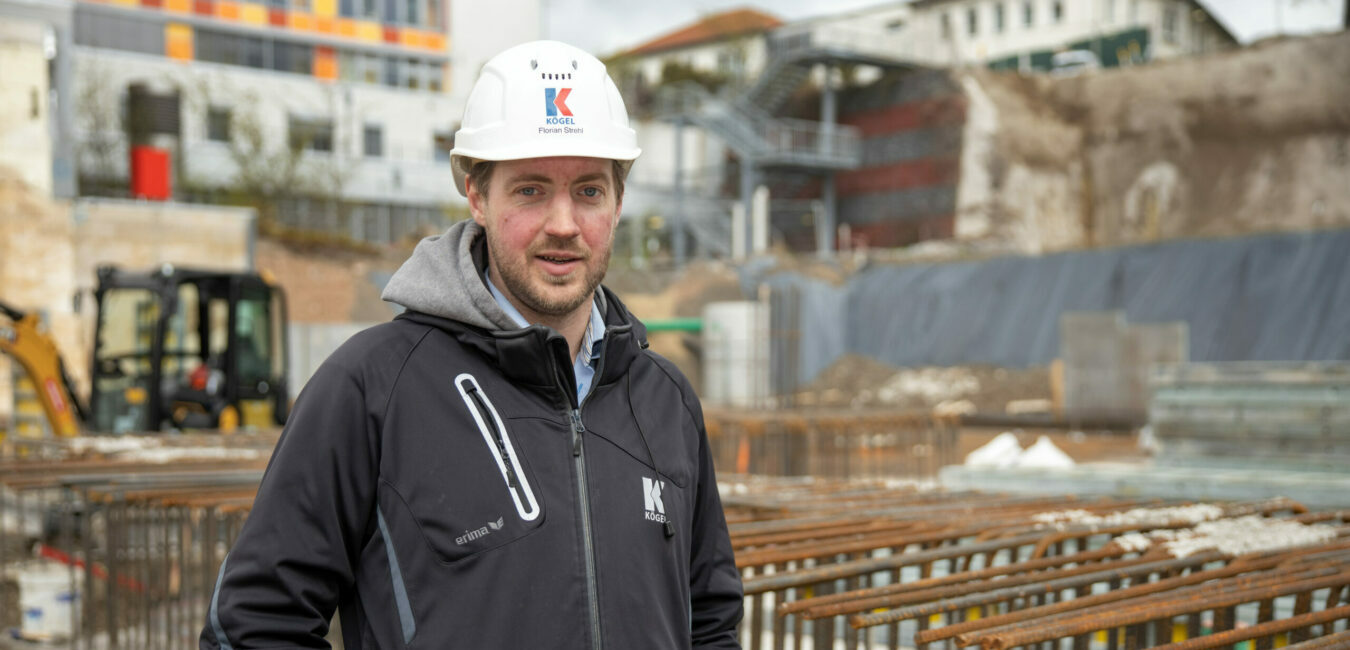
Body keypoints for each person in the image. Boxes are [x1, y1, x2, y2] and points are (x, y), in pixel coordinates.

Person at [200, 40, 744, 649]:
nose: (563, 223)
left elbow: (712, 621)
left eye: (589, 191)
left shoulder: (664, 401)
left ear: (618, 204)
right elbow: (255, 626)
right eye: (530, 190)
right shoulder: (373, 389)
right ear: (477, 196)